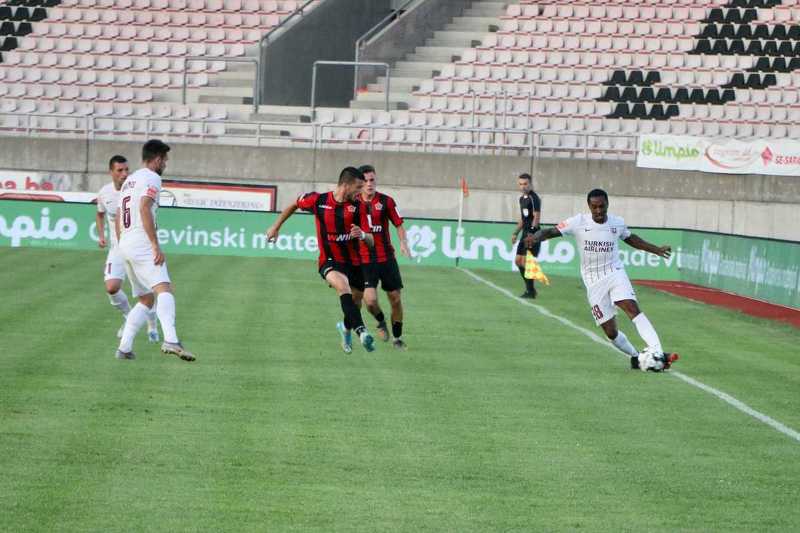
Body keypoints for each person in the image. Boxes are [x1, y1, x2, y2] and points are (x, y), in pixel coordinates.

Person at [525, 189, 679, 370]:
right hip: (593, 281)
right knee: (610, 331)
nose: (599, 211)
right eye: (595, 207)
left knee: (631, 307)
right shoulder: (578, 222)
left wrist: (656, 250)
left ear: (607, 204)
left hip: (615, 273)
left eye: (602, 206)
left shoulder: (617, 223)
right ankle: (636, 357)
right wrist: (535, 238)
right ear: (589, 206)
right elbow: (551, 231)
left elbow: (631, 239)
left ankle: (658, 352)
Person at [266, 167, 376, 353]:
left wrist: (363, 235)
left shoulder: (360, 207)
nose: (361, 192)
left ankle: (346, 329)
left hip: (354, 263)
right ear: (345, 185)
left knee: (355, 304)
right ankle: (362, 332)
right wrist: (275, 226)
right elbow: (295, 204)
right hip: (329, 260)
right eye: (358, 187)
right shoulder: (319, 201)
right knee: (343, 287)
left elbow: (372, 242)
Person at [115, 140, 195, 362]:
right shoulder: (152, 178)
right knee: (164, 289)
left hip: (126, 243)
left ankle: (124, 348)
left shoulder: (129, 181)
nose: (165, 164)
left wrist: (123, 243)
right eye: (165, 160)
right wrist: (154, 244)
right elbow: (144, 207)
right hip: (141, 242)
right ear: (157, 159)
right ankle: (171, 339)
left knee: (146, 299)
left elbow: (120, 213)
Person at [96, 155, 159, 342]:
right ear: (111, 172)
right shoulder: (104, 193)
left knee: (146, 290)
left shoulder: (134, 188)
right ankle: (128, 317)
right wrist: (101, 235)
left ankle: (152, 327)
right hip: (117, 249)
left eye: (126, 170)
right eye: (120, 170)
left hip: (137, 247)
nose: (124, 174)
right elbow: (99, 214)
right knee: (111, 287)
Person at [351, 165, 410, 350]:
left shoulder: (386, 202)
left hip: (386, 258)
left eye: (372, 180)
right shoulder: (352, 203)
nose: (370, 184)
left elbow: (399, 224)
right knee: (370, 300)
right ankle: (381, 321)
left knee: (395, 298)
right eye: (366, 180)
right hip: (365, 260)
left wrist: (403, 243)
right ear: (360, 183)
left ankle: (398, 338)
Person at [510, 173, 542, 298]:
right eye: (520, 184)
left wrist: (532, 233)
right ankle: (530, 290)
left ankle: (530, 291)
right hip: (525, 233)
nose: (523, 186)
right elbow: (523, 219)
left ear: (530, 184)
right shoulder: (522, 199)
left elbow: (536, 216)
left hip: (532, 234)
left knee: (526, 262)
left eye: (525, 184)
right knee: (518, 261)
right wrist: (515, 233)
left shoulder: (534, 198)